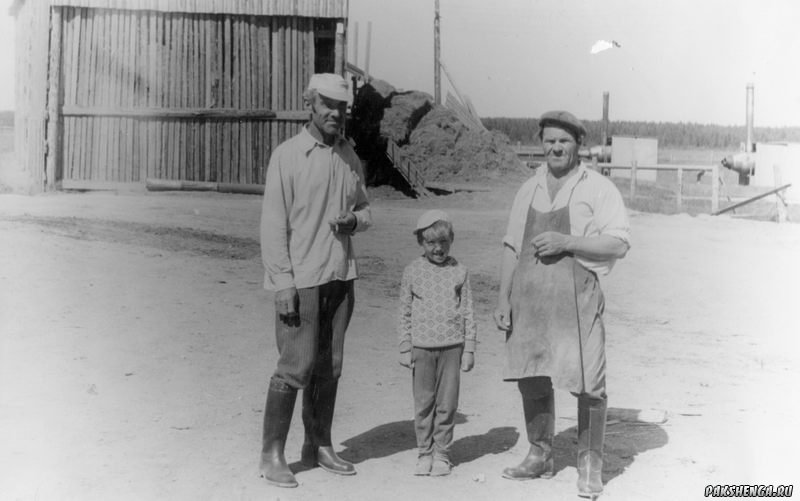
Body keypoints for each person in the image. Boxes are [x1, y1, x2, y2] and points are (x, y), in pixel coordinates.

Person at [493, 111, 630, 498]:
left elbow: (618, 242)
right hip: (531, 297)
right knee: (531, 372)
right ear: (541, 143)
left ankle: (589, 465)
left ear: (578, 145)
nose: (555, 147)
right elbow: (510, 245)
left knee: (589, 381)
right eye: (549, 140)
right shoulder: (528, 188)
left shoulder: (598, 188)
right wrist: (503, 297)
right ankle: (540, 453)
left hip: (577, 296)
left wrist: (566, 242)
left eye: (564, 141)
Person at [258, 73, 371, 488]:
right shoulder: (287, 156)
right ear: (310, 104)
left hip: (340, 277)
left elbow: (366, 208)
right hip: (300, 280)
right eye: (327, 104)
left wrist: (355, 219)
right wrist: (283, 284)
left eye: (342, 107)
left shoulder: (349, 156)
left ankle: (319, 444)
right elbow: (272, 228)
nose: (335, 114)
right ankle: (272, 454)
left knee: (330, 366)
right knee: (295, 367)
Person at [397, 210, 477, 477]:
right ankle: (424, 452)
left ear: (451, 240)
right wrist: (405, 346)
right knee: (423, 403)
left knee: (447, 403)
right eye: (431, 242)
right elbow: (404, 311)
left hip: (452, 347)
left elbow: (468, 311)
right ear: (421, 242)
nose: (438, 248)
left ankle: (442, 454)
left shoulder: (460, 271)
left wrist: (470, 348)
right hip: (422, 348)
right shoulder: (412, 271)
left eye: (443, 241)